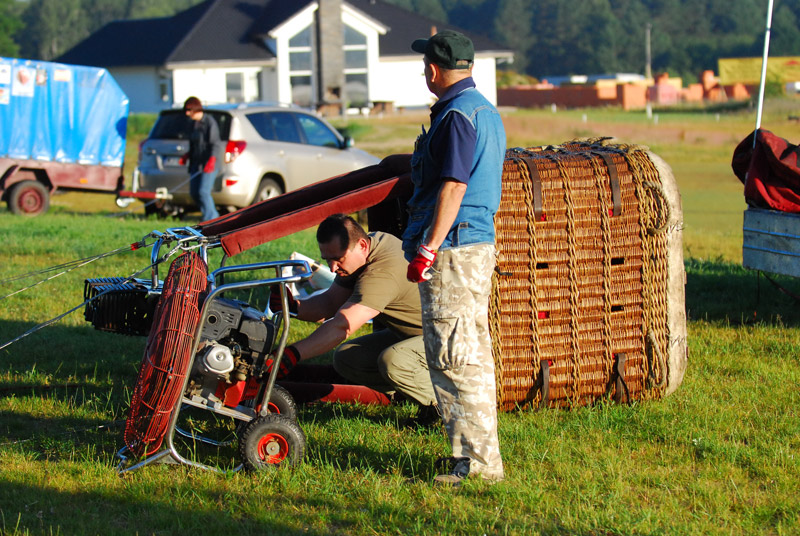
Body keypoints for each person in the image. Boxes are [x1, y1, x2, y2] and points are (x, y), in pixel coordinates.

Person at [403, 30, 506, 486]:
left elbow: (453, 185)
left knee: (453, 356)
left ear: (432, 70)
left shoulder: (456, 117)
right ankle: (478, 459)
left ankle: (476, 466)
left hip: (453, 246)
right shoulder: (485, 111)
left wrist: (427, 247)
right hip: (476, 242)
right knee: (471, 354)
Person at [270, 214, 438, 423]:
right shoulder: (366, 248)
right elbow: (330, 303)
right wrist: (294, 307)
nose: (331, 268)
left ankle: (445, 408)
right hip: (418, 336)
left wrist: (293, 354)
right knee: (348, 358)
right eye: (327, 260)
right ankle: (410, 391)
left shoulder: (381, 271)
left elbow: (343, 326)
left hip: (447, 342)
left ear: (361, 245)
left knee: (393, 362)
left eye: (338, 259)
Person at [183, 96, 221, 222]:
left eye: (189, 110)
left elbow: (215, 143)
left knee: (204, 191)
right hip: (196, 164)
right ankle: (206, 215)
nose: (187, 113)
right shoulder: (193, 124)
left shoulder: (210, 122)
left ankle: (212, 218)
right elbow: (194, 144)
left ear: (196, 109)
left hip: (209, 164)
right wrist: (187, 155)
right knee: (194, 193)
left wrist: (212, 160)